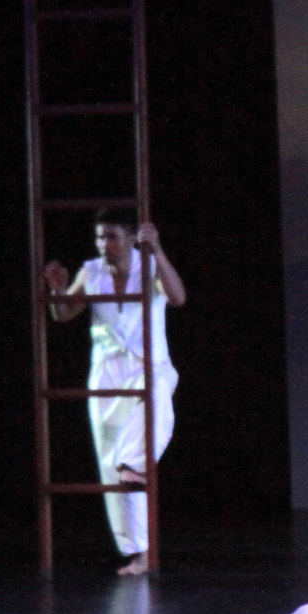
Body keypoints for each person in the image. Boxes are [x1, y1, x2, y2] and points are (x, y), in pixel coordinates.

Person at [44, 210, 187, 575]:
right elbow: (64, 315)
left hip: (149, 366)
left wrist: (158, 250)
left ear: (128, 237)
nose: (103, 245)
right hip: (107, 374)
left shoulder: (149, 265)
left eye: (110, 236)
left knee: (155, 402)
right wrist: (57, 291)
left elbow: (178, 297)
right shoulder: (91, 271)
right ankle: (139, 553)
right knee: (112, 466)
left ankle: (135, 465)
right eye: (99, 238)